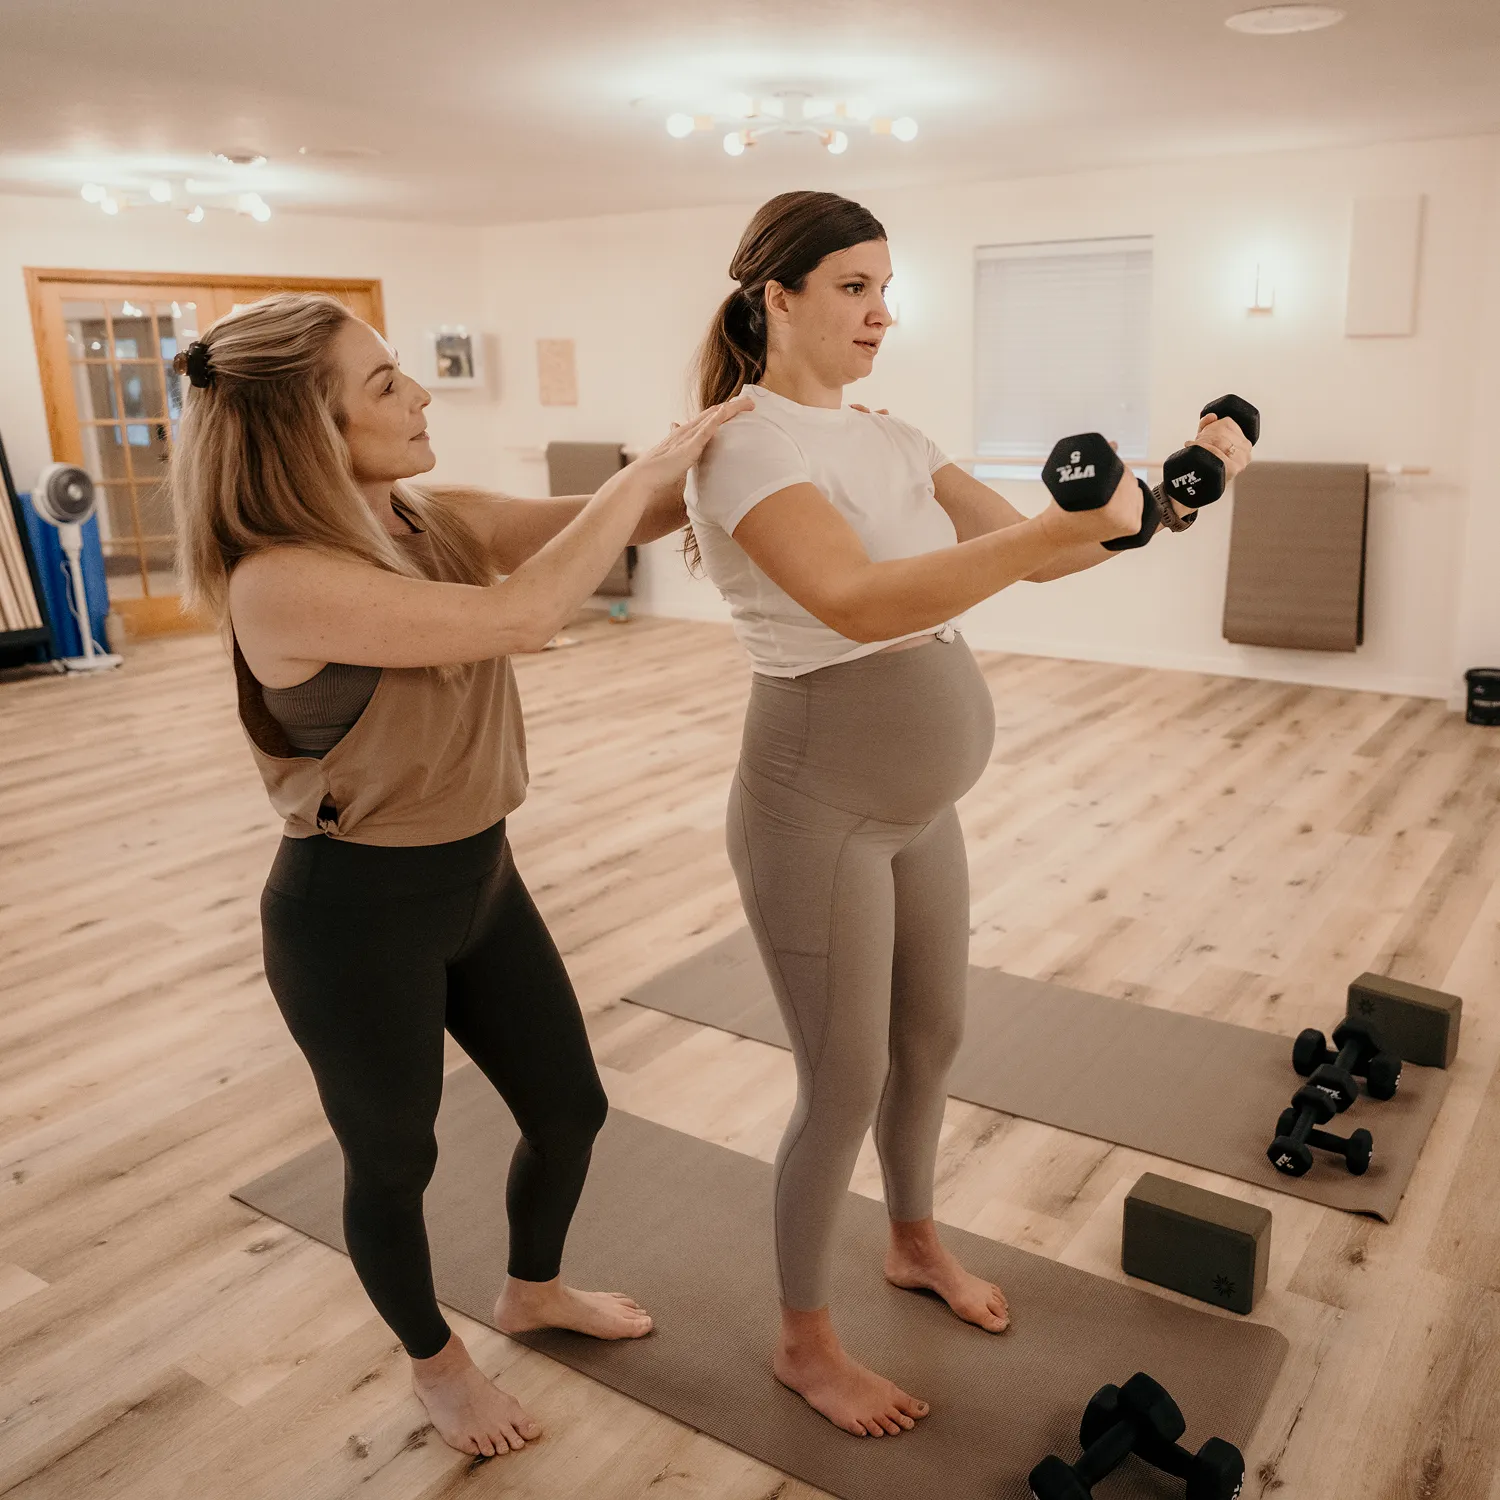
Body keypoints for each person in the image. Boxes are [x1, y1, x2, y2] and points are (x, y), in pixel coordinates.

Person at [686, 191, 1251, 1439]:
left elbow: (1040, 550)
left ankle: (912, 1242)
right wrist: (1064, 526)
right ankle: (804, 1343)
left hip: (917, 806)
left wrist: (1167, 496)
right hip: (814, 805)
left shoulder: (894, 436)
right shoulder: (739, 446)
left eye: (888, 287)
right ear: (775, 297)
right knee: (840, 1081)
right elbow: (856, 600)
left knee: (930, 1040)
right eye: (851, 287)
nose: (881, 313)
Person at [169, 292, 749, 1459]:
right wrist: (662, 469)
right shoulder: (278, 579)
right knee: (396, 1163)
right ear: (306, 428)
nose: (422, 393)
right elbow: (526, 613)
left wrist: (762, 428)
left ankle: (531, 1289)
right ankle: (435, 1366)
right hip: (355, 918)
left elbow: (610, 517)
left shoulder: (428, 517)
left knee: (572, 1110)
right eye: (385, 383)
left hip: (481, 882)